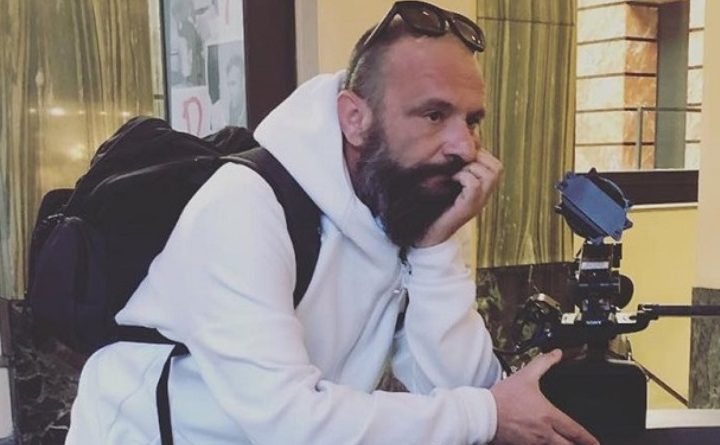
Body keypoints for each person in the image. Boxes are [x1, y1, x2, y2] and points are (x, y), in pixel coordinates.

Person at [65, 2, 599, 444]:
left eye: (472, 119)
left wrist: (436, 251)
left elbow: (468, 387)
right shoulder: (246, 206)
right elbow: (288, 421)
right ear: (354, 118)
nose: (466, 146)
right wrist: (482, 414)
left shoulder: (392, 205)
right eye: (434, 115)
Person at [210, 54, 247, 130]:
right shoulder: (220, 110)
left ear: (243, 82)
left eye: (233, 83)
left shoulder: (248, 108)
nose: (230, 90)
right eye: (228, 84)